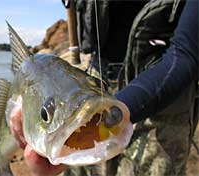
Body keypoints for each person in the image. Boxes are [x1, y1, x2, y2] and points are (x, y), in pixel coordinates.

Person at [10, 0, 198, 175]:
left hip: (165, 93)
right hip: (96, 78)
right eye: (45, 114)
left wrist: (113, 115)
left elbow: (185, 54)